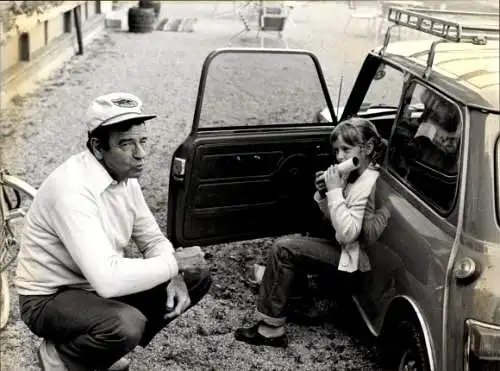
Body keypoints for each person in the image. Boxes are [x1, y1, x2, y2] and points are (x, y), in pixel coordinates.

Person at [15, 92, 211, 371]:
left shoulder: (124, 174)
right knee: (126, 324)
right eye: (126, 144)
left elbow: (152, 239)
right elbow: (107, 280)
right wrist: (172, 264)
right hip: (50, 297)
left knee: (196, 275)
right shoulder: (72, 191)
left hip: (95, 287)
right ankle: (60, 357)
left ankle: (101, 351)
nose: (140, 154)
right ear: (97, 147)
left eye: (143, 141)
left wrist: (176, 274)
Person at [234, 117, 390, 348]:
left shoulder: (368, 182)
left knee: (284, 248)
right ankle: (301, 306)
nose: (339, 157)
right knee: (300, 239)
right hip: (349, 252)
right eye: (336, 151)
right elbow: (335, 221)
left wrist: (335, 190)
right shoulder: (356, 175)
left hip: (356, 260)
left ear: (366, 148)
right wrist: (324, 194)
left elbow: (348, 233)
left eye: (346, 150)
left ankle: (270, 329)